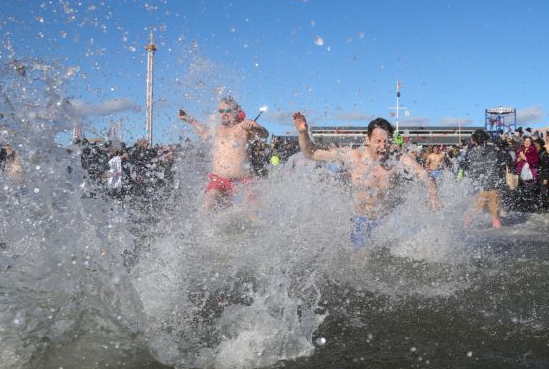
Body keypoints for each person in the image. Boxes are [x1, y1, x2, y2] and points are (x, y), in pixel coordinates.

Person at [292, 113, 439, 247]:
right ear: (367, 139)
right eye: (378, 141)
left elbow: (423, 173)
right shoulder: (354, 156)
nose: (383, 147)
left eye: (386, 142)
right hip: (360, 220)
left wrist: (432, 194)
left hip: (388, 222)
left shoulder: (397, 158)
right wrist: (302, 132)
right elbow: (311, 153)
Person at [179, 97, 269, 211]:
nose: (224, 114)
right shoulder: (216, 130)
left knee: (253, 212)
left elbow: (265, 134)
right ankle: (207, 228)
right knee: (208, 202)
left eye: (227, 111)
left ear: (236, 112)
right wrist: (189, 119)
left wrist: (255, 129)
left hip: (244, 181)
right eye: (221, 111)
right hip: (219, 181)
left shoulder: (244, 125)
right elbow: (203, 131)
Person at [461, 129, 503, 229]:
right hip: (493, 181)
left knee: (476, 208)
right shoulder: (493, 149)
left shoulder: (471, 152)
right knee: (495, 215)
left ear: (474, 140)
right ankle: (498, 233)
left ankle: (464, 227)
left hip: (479, 183)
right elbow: (501, 161)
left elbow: (468, 168)